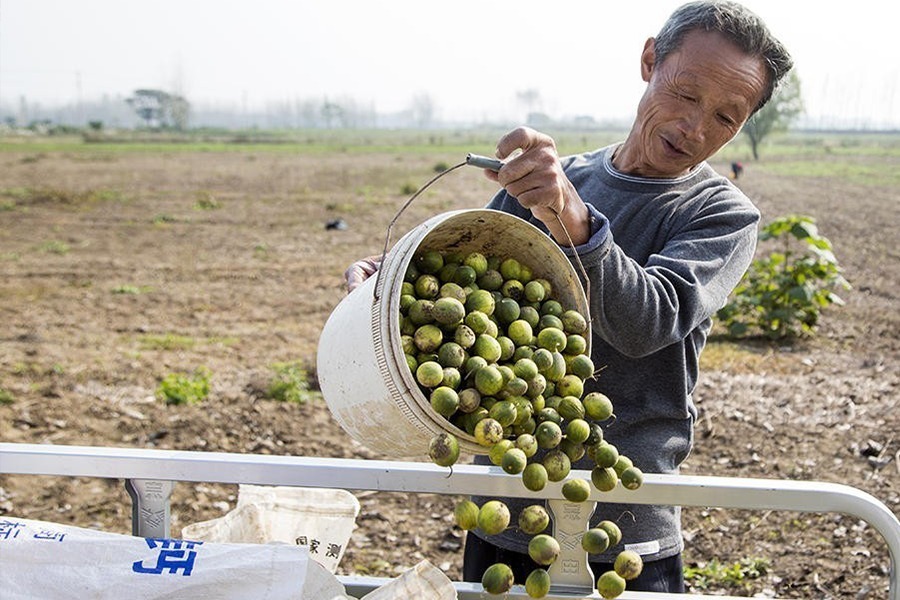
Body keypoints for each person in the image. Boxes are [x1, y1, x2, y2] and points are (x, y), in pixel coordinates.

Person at [346, 0, 792, 593]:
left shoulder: (720, 215)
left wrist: (575, 222)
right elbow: (470, 283)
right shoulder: (554, 185)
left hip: (623, 531)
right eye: (686, 94)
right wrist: (391, 279)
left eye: (725, 117)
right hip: (506, 509)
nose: (695, 127)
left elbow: (646, 322)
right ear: (650, 60)